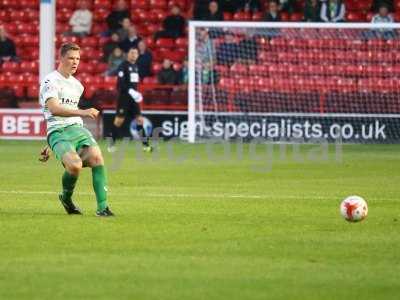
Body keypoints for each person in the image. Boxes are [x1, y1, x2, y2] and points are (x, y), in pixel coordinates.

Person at [39, 43, 114, 217]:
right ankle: (66, 198)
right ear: (61, 58)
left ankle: (103, 208)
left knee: (96, 158)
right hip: (58, 132)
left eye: (78, 59)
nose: (75, 62)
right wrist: (84, 112)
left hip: (77, 129)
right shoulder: (50, 81)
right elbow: (55, 110)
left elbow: (69, 112)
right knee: (74, 166)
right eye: (71, 58)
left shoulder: (77, 86)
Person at [108, 47, 153, 153]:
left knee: (140, 120)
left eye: (136, 53)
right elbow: (120, 84)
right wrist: (131, 91)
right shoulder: (123, 66)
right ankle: (111, 144)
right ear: (128, 54)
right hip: (124, 98)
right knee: (119, 121)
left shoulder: (135, 67)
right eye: (132, 53)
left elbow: (134, 83)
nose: (134, 55)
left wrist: (136, 93)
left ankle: (146, 146)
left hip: (133, 99)